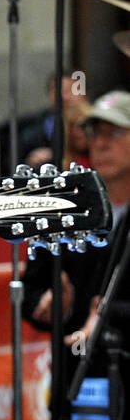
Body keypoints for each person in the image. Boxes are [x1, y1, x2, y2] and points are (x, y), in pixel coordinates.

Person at [24, 89, 130, 384]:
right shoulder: (64, 210)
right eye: (95, 133)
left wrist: (111, 315)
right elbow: (32, 290)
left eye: (116, 132)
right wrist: (50, 305)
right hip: (73, 382)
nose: (101, 143)